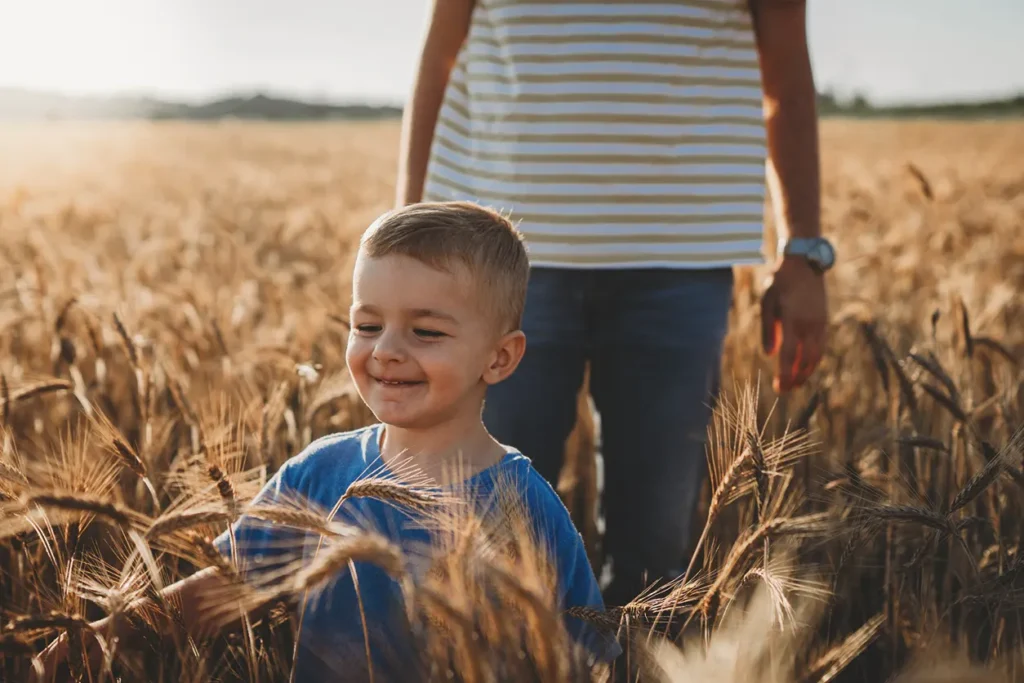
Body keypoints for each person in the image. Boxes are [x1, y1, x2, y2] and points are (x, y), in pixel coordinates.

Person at [34, 202, 620, 681]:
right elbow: (228, 582)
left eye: (426, 331)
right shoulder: (321, 473)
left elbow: (585, 657)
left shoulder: (527, 508)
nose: (386, 349)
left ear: (500, 356)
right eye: (367, 326)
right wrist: (113, 632)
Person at [396, 0, 833, 607]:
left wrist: (804, 250)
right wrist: (410, 237)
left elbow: (784, 69)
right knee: (488, 535)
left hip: (680, 260)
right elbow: (439, 56)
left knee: (654, 559)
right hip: (492, 261)